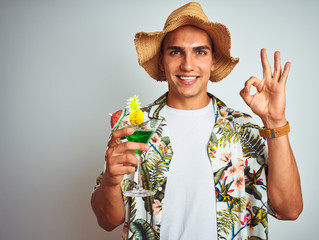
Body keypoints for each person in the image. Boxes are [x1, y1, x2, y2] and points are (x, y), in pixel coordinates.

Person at [91, 2, 303, 239]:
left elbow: (289, 210)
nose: (188, 64)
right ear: (162, 61)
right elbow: (107, 221)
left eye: (200, 52)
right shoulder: (134, 128)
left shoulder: (243, 129)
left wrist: (275, 121)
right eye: (176, 51)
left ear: (213, 61)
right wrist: (110, 181)